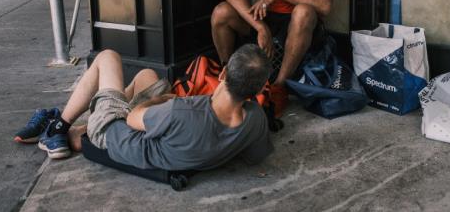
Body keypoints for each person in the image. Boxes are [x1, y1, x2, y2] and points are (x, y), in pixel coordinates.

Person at [14, 44, 273, 171]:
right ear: (259, 90)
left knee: (108, 57)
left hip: (115, 133)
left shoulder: (181, 112)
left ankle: (57, 127)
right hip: (167, 130)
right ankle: (89, 110)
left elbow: (132, 119)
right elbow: (253, 155)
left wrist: (162, 103)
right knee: (147, 75)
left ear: (224, 73)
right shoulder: (255, 119)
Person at [211, 0, 332, 114]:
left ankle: (279, 86)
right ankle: (229, 75)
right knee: (221, 12)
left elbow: (325, 5)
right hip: (263, 16)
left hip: (294, 22)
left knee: (304, 11)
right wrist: (260, 27)